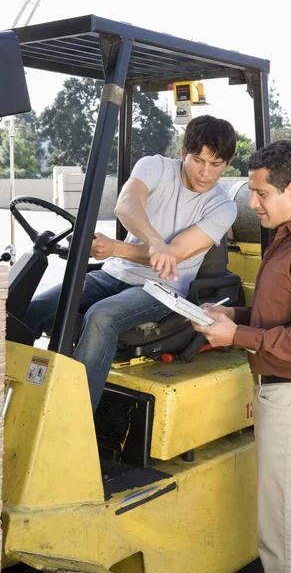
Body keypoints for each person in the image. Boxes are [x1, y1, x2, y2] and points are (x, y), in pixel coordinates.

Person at [193, 140, 291, 573]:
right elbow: (280, 317)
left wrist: (239, 336)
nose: (252, 203)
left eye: (261, 193)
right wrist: (234, 316)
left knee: (283, 534)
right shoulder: (288, 242)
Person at [24, 115, 238, 411]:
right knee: (33, 308)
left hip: (162, 288)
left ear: (227, 164)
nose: (204, 172)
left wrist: (116, 248)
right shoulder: (155, 166)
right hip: (113, 274)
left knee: (102, 317)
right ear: (182, 153)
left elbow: (173, 255)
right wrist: (153, 241)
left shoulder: (223, 207)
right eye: (198, 160)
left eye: (215, 165)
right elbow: (126, 205)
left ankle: (71, 421)